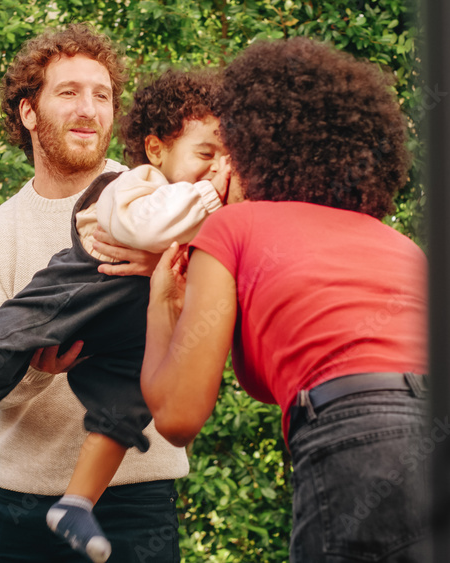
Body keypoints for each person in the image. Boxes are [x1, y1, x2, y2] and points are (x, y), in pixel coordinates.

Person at [0, 69, 227, 563]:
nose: (88, 107)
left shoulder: (187, 212)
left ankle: (78, 502)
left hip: (138, 502)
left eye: (102, 94)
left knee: (123, 399)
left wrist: (165, 267)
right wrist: (38, 367)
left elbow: (214, 321)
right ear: (28, 111)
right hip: (18, 504)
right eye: (69, 92)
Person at [140, 38, 432, 562]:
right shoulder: (401, 246)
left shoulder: (233, 228)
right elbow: (271, 373)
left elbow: (178, 415)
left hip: (358, 442)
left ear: (252, 149)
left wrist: (162, 304)